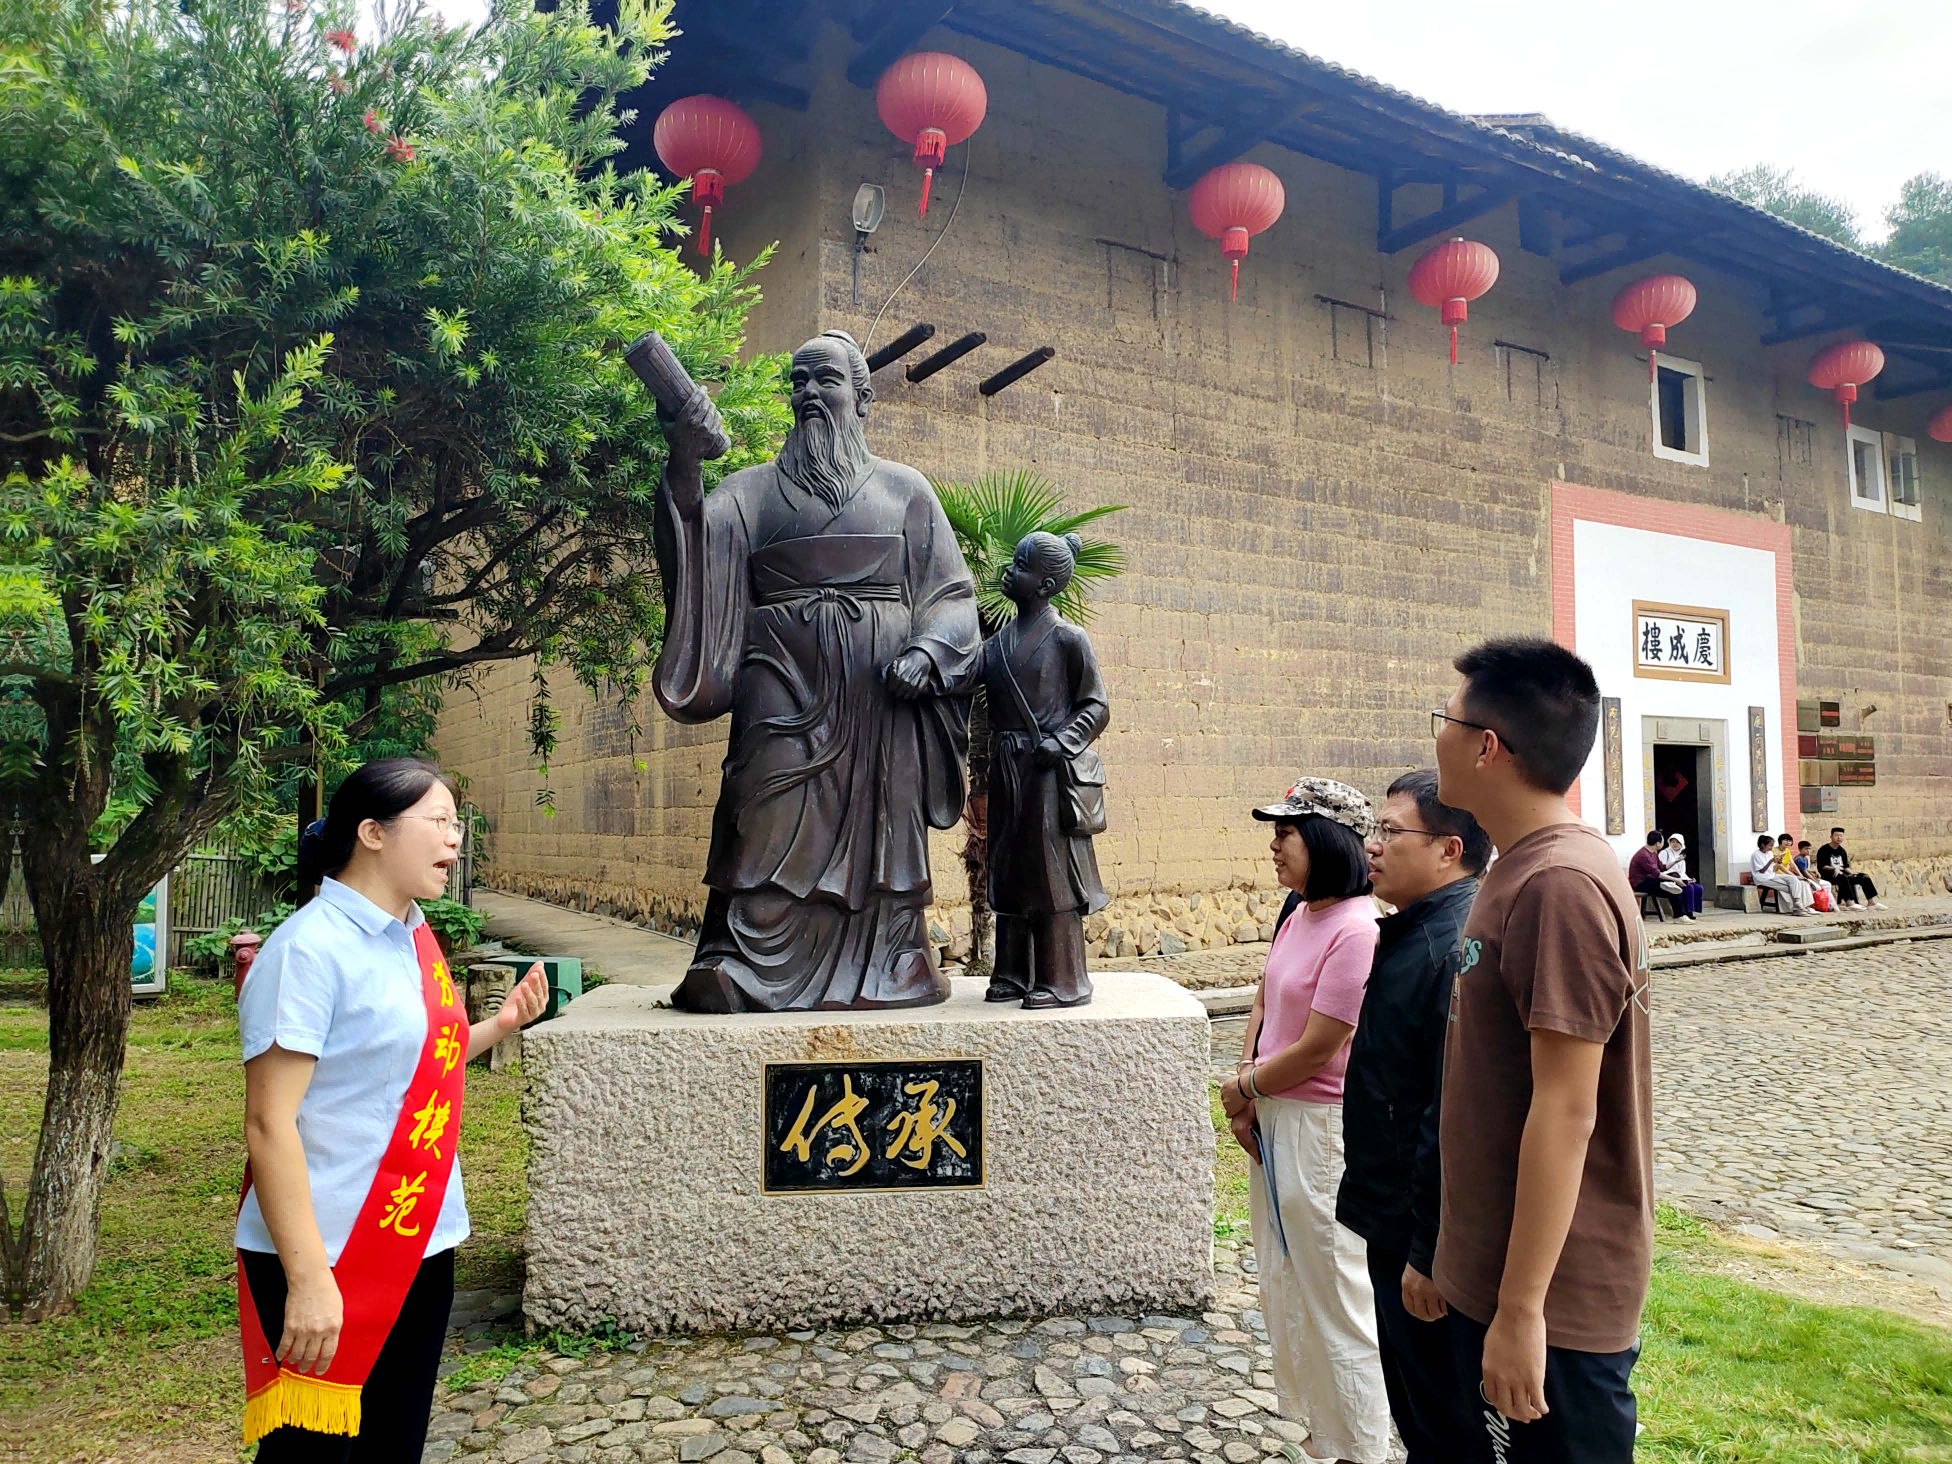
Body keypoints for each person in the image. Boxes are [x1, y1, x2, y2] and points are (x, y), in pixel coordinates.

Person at [653, 329, 981, 1012]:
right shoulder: (751, 491)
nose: (808, 392)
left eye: (825, 380)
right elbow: (693, 549)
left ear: (862, 398)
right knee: (761, 812)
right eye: (798, 381)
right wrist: (684, 459)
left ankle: (893, 963)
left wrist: (926, 652)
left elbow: (951, 596)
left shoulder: (906, 490)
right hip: (779, 681)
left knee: (885, 829)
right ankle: (745, 959)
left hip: (882, 698)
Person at [238, 760, 549, 1459]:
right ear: (372, 833)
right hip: (327, 1251)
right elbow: (269, 1122)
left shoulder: (411, 936)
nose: (455, 839)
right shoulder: (308, 950)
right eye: (438, 822)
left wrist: (500, 1026)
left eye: (457, 824)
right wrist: (308, 1283)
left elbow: (410, 1064)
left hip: (421, 1237)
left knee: (394, 1444)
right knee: (311, 1456)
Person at [1431, 637, 1653, 1463]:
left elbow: (1566, 1109)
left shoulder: (1560, 884)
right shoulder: (1519, 867)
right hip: (1496, 1281)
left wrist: (1523, 1309)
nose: (1437, 735)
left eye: (1446, 719)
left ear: (1487, 746)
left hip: (1553, 1307)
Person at [1220, 777, 1393, 1464]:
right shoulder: (1299, 912)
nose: (1274, 846)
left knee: (1336, 1289)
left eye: (1286, 833)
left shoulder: (1357, 929)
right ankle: (1326, 1431)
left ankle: (1364, 1446)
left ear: (1325, 841)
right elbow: (1266, 999)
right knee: (1286, 1280)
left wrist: (1244, 1086)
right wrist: (1248, 1087)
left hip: (1319, 1130)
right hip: (1274, 1112)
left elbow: (1323, 1044)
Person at [1337, 769, 1489, 1462]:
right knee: (1418, 1408)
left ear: (1448, 850)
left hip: (1418, 1236)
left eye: (1391, 831)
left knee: (1442, 1421)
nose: (1372, 845)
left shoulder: (1449, 948)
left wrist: (1428, 1252)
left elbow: (1448, 1117)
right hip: (1393, 1216)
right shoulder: (1415, 931)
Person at [965, 530, 1111, 1008]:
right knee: (1009, 867)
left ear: (1045, 585)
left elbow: (1096, 705)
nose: (1009, 571)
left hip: (1046, 771)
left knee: (1051, 873)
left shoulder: (1068, 638)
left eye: (1021, 566)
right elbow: (960, 679)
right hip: (1007, 769)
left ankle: (1063, 980)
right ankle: (1012, 971)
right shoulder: (995, 645)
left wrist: (1061, 741)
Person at [1816, 828, 1885, 909]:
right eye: (1836, 835)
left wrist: (1853, 873)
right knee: (1842, 877)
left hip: (1842, 874)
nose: (1839, 838)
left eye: (1841, 836)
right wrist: (1834, 869)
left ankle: (1871, 902)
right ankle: (1850, 903)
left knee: (1863, 877)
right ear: (1831, 836)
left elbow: (1845, 866)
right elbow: (1822, 866)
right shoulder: (1824, 849)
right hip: (1829, 874)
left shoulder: (1842, 851)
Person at [1625, 830, 1684, 921]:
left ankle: (1680, 915)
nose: (1663, 843)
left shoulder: (1654, 852)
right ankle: (1679, 916)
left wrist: (1676, 861)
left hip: (1651, 880)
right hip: (1641, 883)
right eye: (1662, 841)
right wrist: (1675, 880)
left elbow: (1662, 867)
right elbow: (1657, 873)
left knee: (1674, 882)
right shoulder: (1644, 855)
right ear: (1657, 843)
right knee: (1672, 888)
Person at [1750, 834, 1809, 915]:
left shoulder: (1769, 853)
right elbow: (1762, 871)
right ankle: (1797, 906)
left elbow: (1773, 867)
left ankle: (1797, 906)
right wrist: (1771, 861)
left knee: (1793, 879)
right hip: (1762, 878)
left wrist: (1778, 861)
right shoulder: (1756, 855)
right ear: (1763, 845)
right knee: (1791, 887)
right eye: (1770, 845)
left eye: (1772, 845)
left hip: (1772, 875)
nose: (1771, 848)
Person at [1658, 835, 1704, 920]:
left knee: (1698, 887)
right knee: (1689, 888)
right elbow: (1661, 868)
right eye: (1673, 842)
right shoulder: (1665, 853)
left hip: (1679, 878)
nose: (1675, 844)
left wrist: (1689, 879)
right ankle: (1687, 913)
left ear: (1682, 843)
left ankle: (1692, 910)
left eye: (1677, 842)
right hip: (1669, 878)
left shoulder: (1681, 856)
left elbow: (1682, 873)